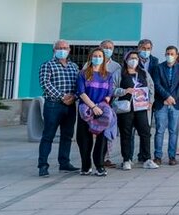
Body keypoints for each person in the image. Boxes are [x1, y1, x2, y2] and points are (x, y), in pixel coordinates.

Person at [37, 40, 80, 177]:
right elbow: (45, 84)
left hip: (71, 105)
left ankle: (64, 163)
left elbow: (78, 84)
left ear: (69, 50)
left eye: (65, 48)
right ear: (54, 50)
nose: (62, 50)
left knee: (67, 136)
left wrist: (74, 97)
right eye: (59, 48)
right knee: (48, 136)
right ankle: (43, 165)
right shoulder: (47, 65)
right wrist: (62, 96)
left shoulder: (74, 66)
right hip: (53, 105)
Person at [114, 50, 157, 170]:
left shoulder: (143, 73)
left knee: (145, 133)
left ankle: (147, 158)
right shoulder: (119, 73)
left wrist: (150, 102)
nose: (134, 60)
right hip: (125, 109)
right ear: (126, 60)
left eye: (136, 58)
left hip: (141, 108)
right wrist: (123, 91)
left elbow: (151, 87)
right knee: (126, 134)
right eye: (131, 58)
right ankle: (126, 159)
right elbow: (112, 88)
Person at [75, 48, 115, 176]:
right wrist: (93, 107)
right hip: (85, 110)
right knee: (84, 139)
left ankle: (99, 165)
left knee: (102, 139)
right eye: (95, 56)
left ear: (103, 59)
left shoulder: (108, 75)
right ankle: (86, 166)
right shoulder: (83, 73)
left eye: (99, 56)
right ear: (90, 58)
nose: (97, 58)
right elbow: (81, 92)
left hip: (102, 111)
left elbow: (110, 93)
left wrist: (103, 104)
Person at [150, 46, 179, 166]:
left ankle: (172, 156)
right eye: (167, 53)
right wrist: (166, 97)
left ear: (176, 56)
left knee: (174, 131)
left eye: (172, 54)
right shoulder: (158, 68)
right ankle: (158, 156)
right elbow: (156, 84)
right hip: (162, 103)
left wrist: (173, 98)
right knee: (159, 130)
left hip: (175, 104)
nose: (169, 55)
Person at [98, 39, 122, 169]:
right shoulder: (89, 64)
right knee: (96, 131)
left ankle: (107, 157)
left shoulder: (116, 67)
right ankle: (97, 157)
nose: (108, 49)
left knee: (110, 132)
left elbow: (116, 85)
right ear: (100, 47)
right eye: (105, 47)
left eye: (110, 48)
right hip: (94, 103)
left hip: (110, 103)